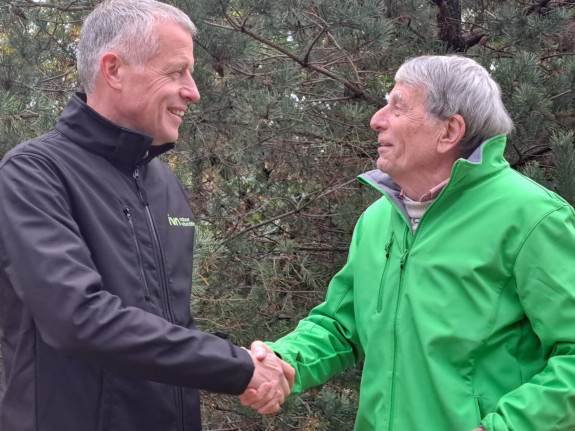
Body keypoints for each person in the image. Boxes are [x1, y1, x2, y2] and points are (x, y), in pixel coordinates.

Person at [0, 1, 293, 430]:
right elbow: (78, 319)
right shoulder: (34, 173)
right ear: (113, 69)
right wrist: (237, 367)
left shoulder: (164, 185)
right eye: (176, 72)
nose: (192, 91)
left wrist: (248, 367)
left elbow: (171, 326)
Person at [240, 55, 575, 430]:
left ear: (449, 132)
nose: (376, 119)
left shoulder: (532, 217)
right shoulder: (376, 220)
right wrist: (284, 360)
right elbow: (340, 325)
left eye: (397, 106)